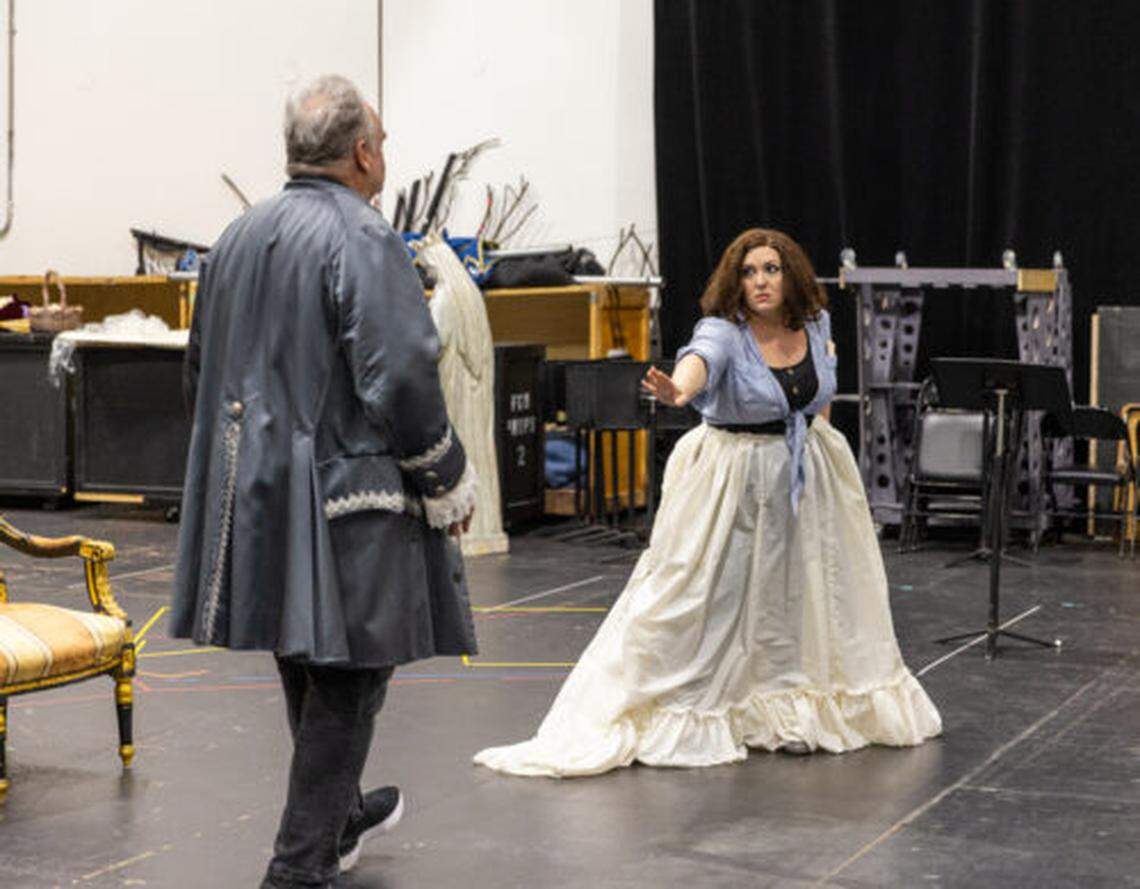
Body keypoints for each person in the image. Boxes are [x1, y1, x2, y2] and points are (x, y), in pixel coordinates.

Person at [474, 227, 941, 778]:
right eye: (749, 272)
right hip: (733, 479)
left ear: (790, 275)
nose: (760, 282)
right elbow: (697, 365)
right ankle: (658, 696)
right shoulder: (723, 332)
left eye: (771, 269)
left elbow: (819, 402)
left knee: (802, 598)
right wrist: (678, 390)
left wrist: (821, 471)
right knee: (696, 595)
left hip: (805, 479)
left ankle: (789, 702)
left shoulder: (815, 325)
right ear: (734, 282)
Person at [170, 75, 478, 887]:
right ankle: (299, 865)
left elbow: (200, 369)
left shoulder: (236, 235)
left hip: (252, 491)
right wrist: (445, 473)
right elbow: (402, 374)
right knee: (352, 668)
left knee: (304, 653)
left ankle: (337, 815)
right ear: (365, 153)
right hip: (347, 497)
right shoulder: (364, 235)